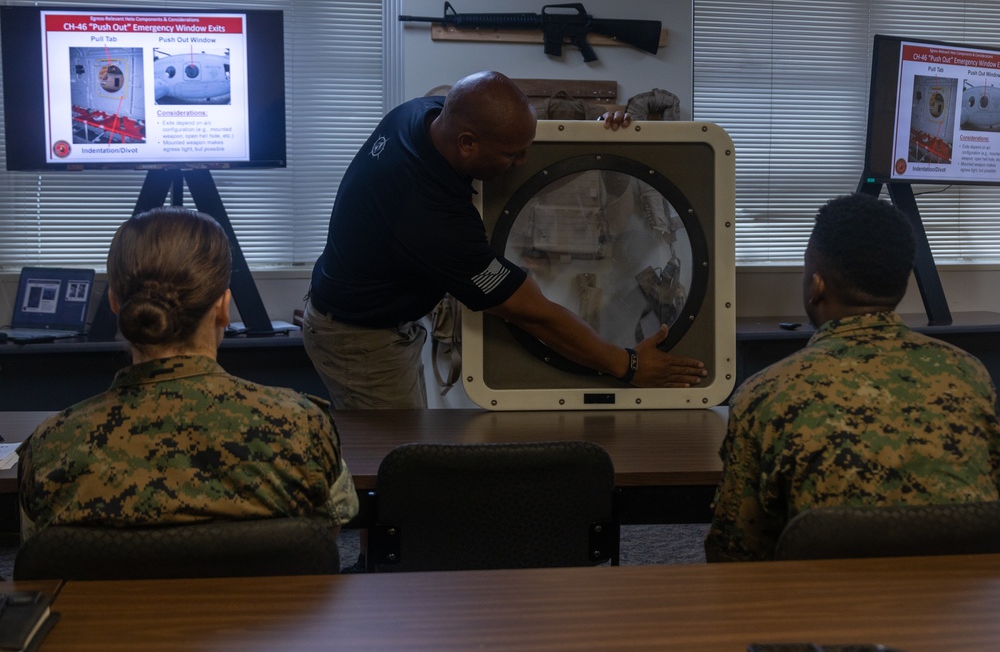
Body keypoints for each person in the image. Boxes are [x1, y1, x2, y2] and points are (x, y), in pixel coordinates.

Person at [303, 70, 707, 409]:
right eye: (513, 156)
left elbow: (506, 154)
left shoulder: (422, 115)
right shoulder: (432, 219)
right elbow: (532, 312)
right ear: (467, 144)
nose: (523, 165)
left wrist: (603, 130)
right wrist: (629, 365)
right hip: (359, 342)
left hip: (370, 316)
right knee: (397, 462)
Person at [18, 207, 358, 541]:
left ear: (114, 303)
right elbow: (326, 538)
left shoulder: (52, 447)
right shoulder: (301, 426)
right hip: (261, 599)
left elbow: (40, 559)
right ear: (224, 308)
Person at [705, 193, 1000, 562]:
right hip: (963, 613)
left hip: (821, 612)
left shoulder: (763, 395)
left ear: (816, 285)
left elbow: (735, 554)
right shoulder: (969, 375)